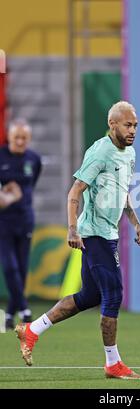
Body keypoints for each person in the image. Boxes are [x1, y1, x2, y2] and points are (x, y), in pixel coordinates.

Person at [15, 101, 140, 380]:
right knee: (114, 294)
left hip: (108, 233)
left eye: (135, 125)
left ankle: (32, 330)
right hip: (94, 233)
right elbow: (75, 190)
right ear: (112, 124)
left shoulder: (130, 154)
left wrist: (136, 224)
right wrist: (72, 229)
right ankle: (113, 363)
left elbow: (121, 193)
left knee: (89, 296)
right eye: (128, 124)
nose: (133, 130)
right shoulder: (99, 151)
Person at [0, 119, 42, 330]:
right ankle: (24, 309)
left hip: (25, 219)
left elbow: (30, 185)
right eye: (16, 137)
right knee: (10, 267)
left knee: (23, 269)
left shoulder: (34, 159)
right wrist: (7, 199)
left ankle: (8, 315)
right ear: (8, 137)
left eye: (24, 137)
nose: (19, 141)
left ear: (29, 138)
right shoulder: (1, 157)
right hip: (3, 221)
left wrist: (19, 198)